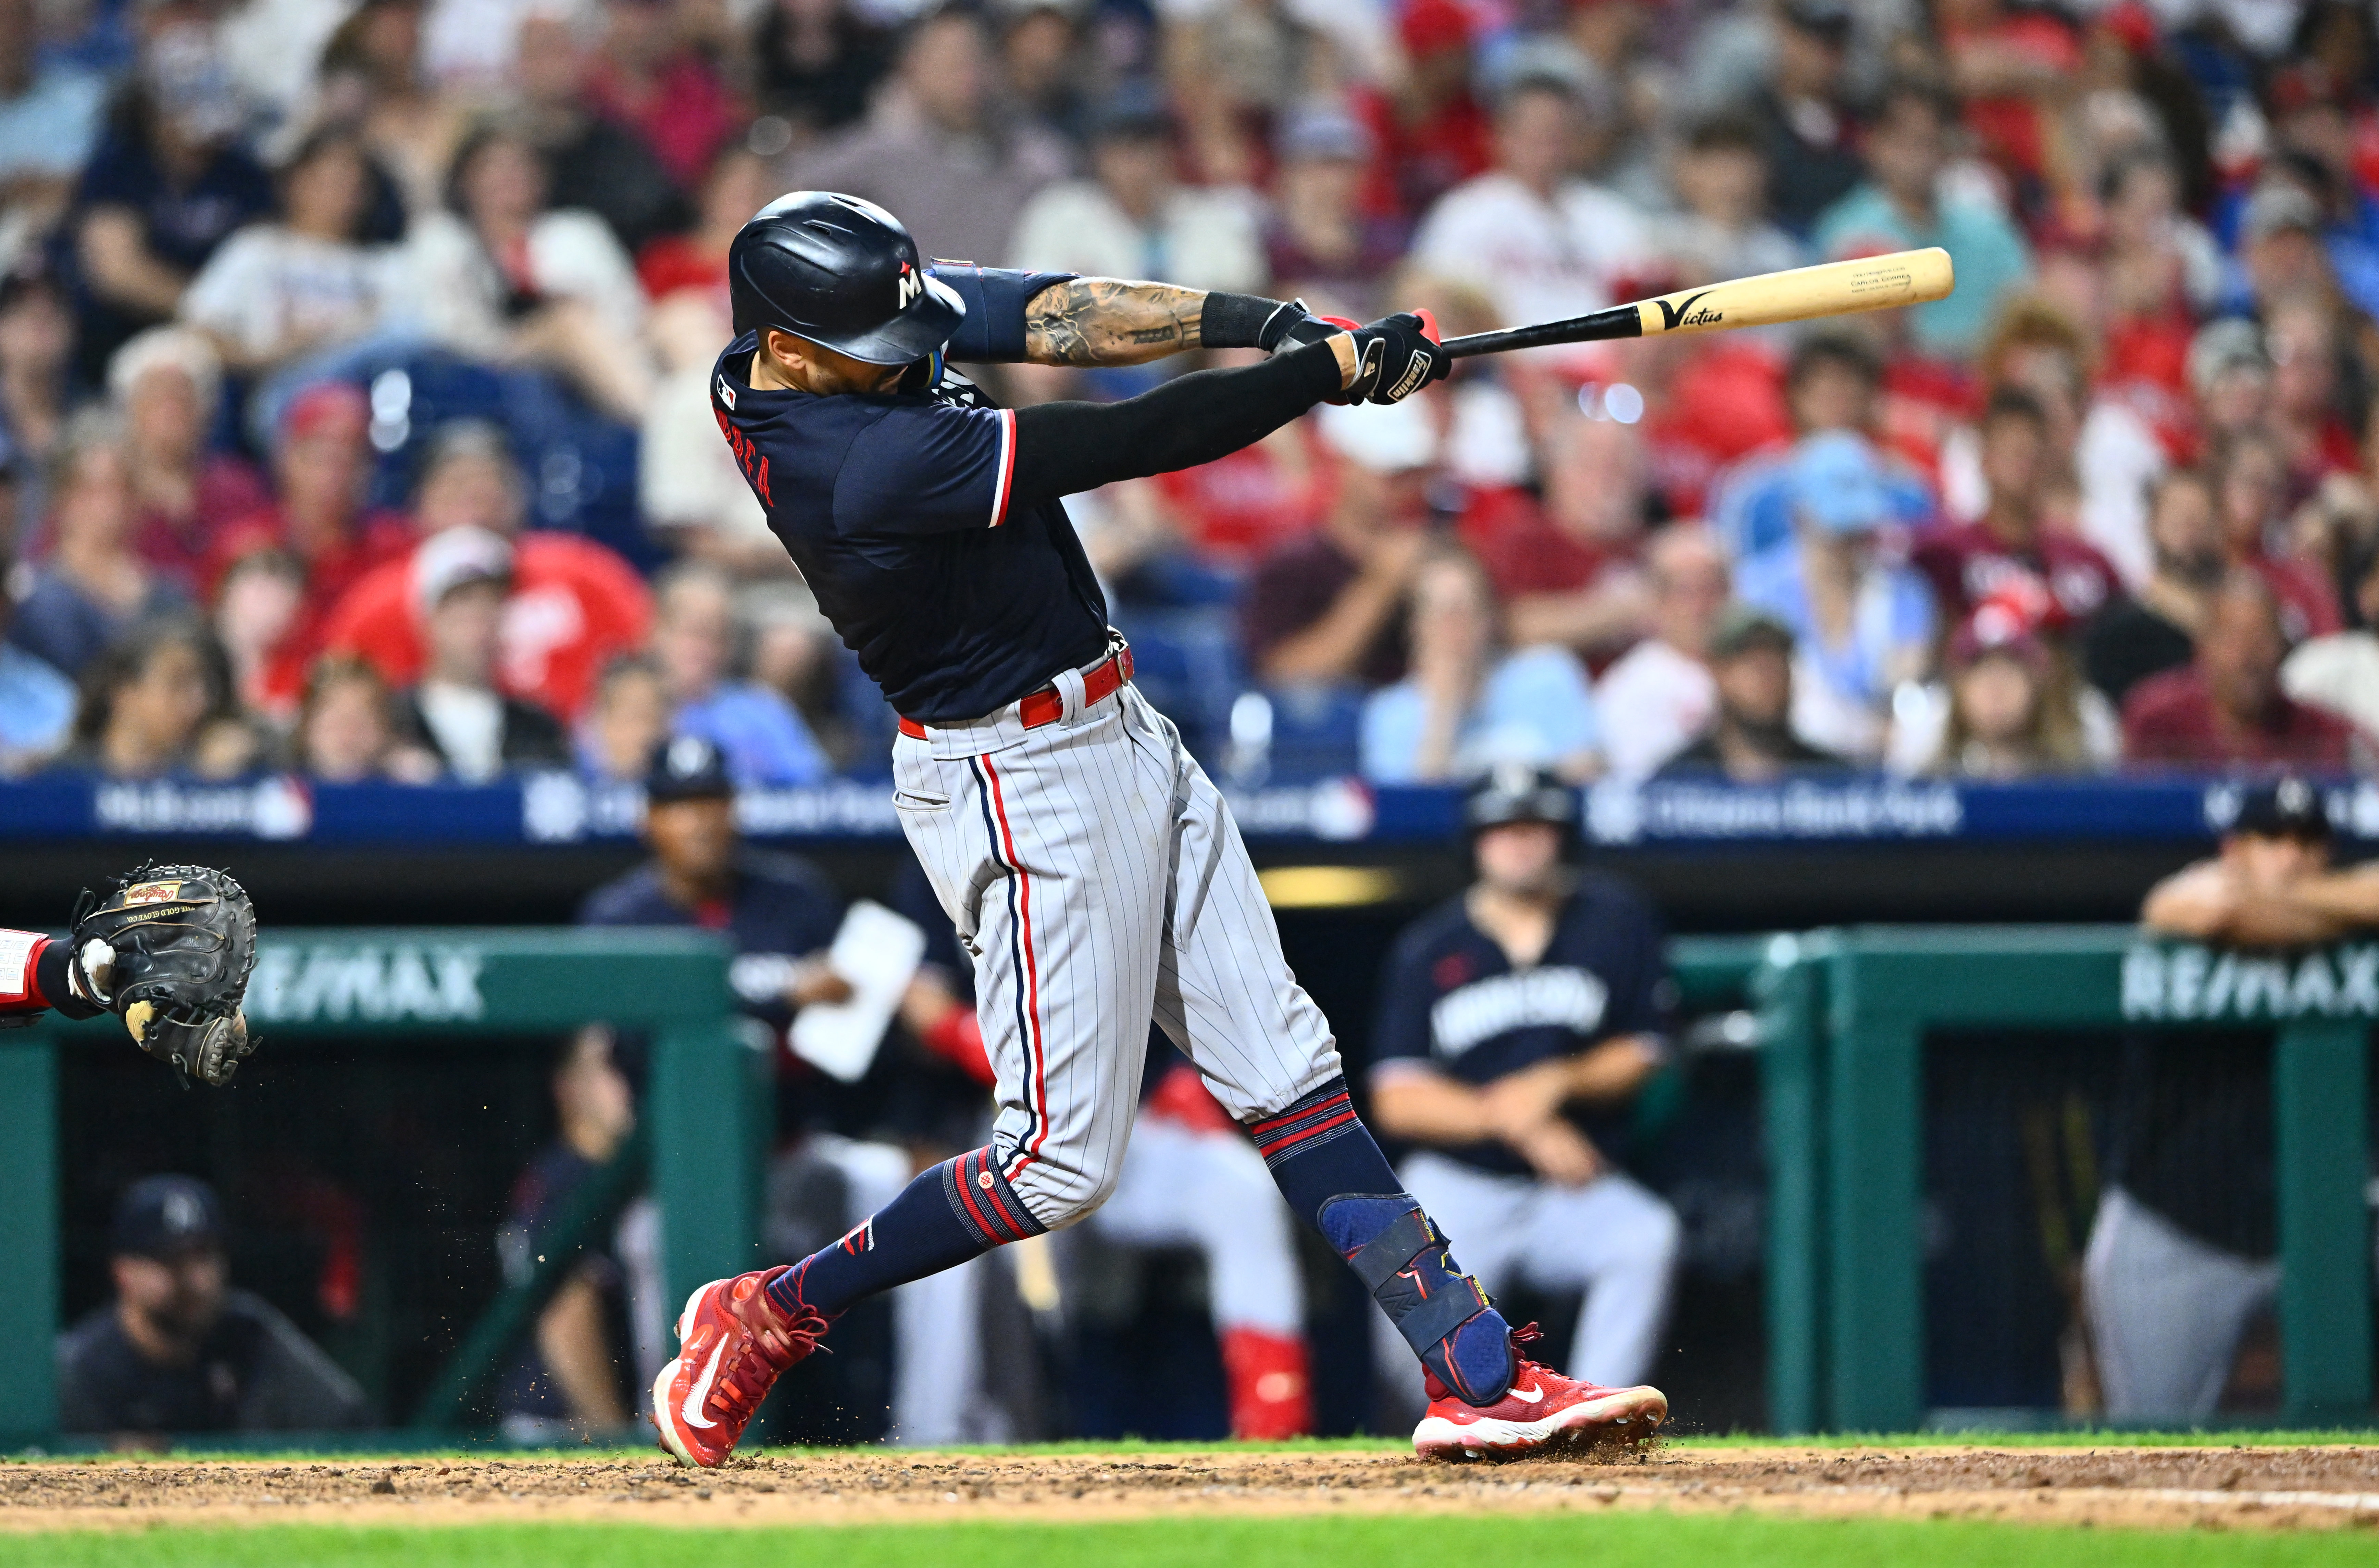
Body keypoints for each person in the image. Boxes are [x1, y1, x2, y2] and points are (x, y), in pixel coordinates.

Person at [655, 191, 1662, 1470]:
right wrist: (1317, 381)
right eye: (885, 342)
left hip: (1118, 724)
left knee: (1284, 1062)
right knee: (1054, 1165)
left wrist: (1274, 325)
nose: (918, 349)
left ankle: (1476, 1372)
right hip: (1017, 778)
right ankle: (769, 1310)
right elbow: (1130, 442)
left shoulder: (834, 329)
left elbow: (1052, 311)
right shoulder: (850, 463)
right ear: (790, 348)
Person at [1368, 768, 1682, 1417]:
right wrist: (1517, 1116)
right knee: (1404, 1304)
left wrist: (1558, 1078)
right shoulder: (1432, 945)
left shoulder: (1612, 919)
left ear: (1561, 836)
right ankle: (1459, 1422)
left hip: (1569, 1182)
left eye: (1535, 828)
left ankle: (1590, 1419)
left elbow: (1645, 1048)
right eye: (1504, 829)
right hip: (1461, 1184)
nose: (1520, 844)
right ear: (1477, 842)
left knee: (1645, 1237)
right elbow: (1398, 1097)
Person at [2086, 779, 2379, 1421]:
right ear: (2235, 848)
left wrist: (2290, 902)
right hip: (2178, 1225)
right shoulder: (2191, 885)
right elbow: (2218, 912)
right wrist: (2333, 911)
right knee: (2155, 1444)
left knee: (2350, 1440)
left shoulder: (2338, 891)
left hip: (2317, 1233)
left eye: (2308, 841)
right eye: (2273, 838)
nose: (2293, 854)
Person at [319, 420, 652, 722]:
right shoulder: (379, 603)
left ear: (519, 496)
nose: (473, 503)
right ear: (420, 505)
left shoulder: (586, 578)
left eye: (487, 486)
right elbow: (335, 701)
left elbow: (649, 665)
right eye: (455, 487)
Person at [57, 1175, 371, 1437]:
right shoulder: (79, 1369)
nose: (195, 1279)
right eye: (170, 1260)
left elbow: (351, 1421)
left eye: (204, 1256)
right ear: (123, 1272)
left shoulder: (250, 1335)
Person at [403, 123, 654, 421]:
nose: (509, 177)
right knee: (568, 323)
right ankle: (656, 420)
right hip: (491, 357)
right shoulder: (443, 239)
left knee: (681, 316)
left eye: (521, 166)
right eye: (493, 168)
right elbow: (443, 330)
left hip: (603, 345)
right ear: (465, 182)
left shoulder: (578, 230)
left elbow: (630, 309)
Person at [1408, 66, 1651, 373]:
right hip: (1499, 380)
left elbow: (1643, 308)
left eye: (1558, 130)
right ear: (1500, 135)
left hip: (1603, 378)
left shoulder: (1609, 217)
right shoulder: (1465, 212)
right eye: (1533, 128)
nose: (1547, 141)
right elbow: (1432, 311)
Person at [790, 9, 1070, 268]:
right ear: (912, 67)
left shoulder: (1032, 157)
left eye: (975, 58)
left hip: (1006, 309)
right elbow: (791, 194)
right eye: (950, 61)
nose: (966, 75)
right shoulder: (875, 154)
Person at [1735, 432, 1936, 760]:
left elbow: (1905, 689)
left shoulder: (1904, 594)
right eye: (1836, 527)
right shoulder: (1756, 590)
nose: (1849, 540)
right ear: (1799, 515)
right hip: (1786, 765)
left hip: (1879, 768)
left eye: (1858, 527)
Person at [1814, 77, 2031, 360]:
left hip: (1982, 384)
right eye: (1903, 140)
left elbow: (2025, 317)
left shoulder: (1991, 230)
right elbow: (1842, 345)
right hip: (1890, 384)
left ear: (1949, 147)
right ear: (1872, 144)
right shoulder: (1845, 232)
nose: (1916, 155)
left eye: (1929, 140)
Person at [495, 1028, 640, 1440]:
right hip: (562, 1425)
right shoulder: (567, 1180)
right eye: (606, 1069)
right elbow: (566, 1316)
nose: (624, 1082)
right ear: (568, 1088)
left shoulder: (598, 1175)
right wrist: (615, 1437)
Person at [1361, 548, 1600, 784]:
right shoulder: (1390, 714)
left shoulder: (1548, 675)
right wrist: (1441, 712)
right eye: (1440, 612)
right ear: (1415, 627)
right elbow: (1411, 814)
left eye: (1465, 609)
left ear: (1489, 619)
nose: (1454, 627)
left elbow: (1586, 784)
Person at [1241, 397, 1432, 688]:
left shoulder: (1437, 546)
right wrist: (1380, 587)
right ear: (1343, 464)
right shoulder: (1292, 564)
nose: (1404, 486)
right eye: (1389, 472)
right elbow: (1284, 678)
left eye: (1412, 472)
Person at [1913, 390, 2123, 636]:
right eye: (2012, 451)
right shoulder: (1945, 557)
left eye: (2032, 454)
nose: (2023, 465)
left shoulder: (2088, 562)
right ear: (1985, 459)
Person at [8, 416, 188, 678]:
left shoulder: (170, 597)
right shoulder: (33, 601)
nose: (109, 505)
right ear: (62, 498)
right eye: (90, 489)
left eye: (121, 487)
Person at [389, 526, 570, 782]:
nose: (480, 617)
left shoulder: (537, 727)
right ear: (428, 618)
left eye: (492, 601)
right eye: (463, 600)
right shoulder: (392, 722)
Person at [2120, 573, 2352, 770]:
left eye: (2262, 639)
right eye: (2233, 639)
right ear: (2203, 648)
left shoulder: (2321, 732)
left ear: (2283, 649)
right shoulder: (2158, 721)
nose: (2248, 656)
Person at [647, 562, 831, 787]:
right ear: (657, 631)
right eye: (692, 633)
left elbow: (819, 793)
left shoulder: (763, 711)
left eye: (717, 636)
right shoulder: (627, 709)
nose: (703, 650)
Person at [1594, 526, 1730, 781]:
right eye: (1687, 592)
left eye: (1713, 589)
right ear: (1658, 600)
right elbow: (1640, 781)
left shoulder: (1767, 664)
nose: (1702, 606)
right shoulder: (1630, 686)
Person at [1655, 606, 1847, 781]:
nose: (1769, 681)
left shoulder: (1829, 778)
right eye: (1756, 667)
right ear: (1719, 674)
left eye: (1779, 665)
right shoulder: (1680, 780)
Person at [2083, 469, 2224, 708]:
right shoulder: (2117, 630)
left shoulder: (2248, 617)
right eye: (2177, 516)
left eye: (2199, 516)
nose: (2190, 528)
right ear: (2151, 524)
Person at [1923, 620, 2088, 779]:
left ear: (2037, 686)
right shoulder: (1934, 785)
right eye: (1981, 670)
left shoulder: (2074, 780)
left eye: (2012, 669)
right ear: (1958, 687)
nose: (1997, 688)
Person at [294, 653, 437, 783]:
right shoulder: (279, 791)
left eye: (361, 724)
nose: (348, 735)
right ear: (307, 726)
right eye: (335, 724)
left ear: (384, 728)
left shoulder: (406, 787)